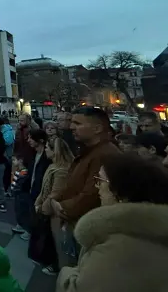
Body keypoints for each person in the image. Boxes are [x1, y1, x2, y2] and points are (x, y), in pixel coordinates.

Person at [56, 152, 168, 292]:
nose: (97, 187)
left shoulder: (120, 245)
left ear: (120, 192)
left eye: (100, 180)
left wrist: (67, 273)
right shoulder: (153, 231)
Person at [50, 106, 120, 269]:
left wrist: (61, 206)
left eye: (77, 123)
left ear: (97, 128)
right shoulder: (91, 151)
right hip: (80, 225)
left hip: (89, 229)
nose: (71, 127)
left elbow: (92, 195)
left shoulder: (104, 154)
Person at [30, 137, 74, 275]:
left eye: (48, 148)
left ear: (55, 151)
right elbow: (45, 189)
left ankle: (60, 270)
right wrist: (38, 202)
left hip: (55, 213)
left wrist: (43, 209)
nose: (46, 151)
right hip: (46, 207)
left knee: (57, 243)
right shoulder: (52, 166)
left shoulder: (62, 170)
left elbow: (55, 194)